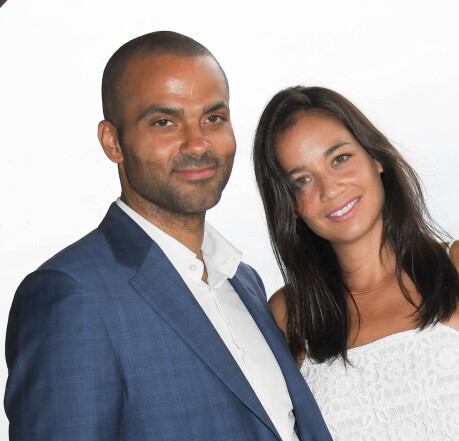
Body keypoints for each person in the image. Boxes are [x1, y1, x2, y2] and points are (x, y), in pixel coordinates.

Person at [4, 32, 332, 441]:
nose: (197, 143)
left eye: (213, 118)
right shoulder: (70, 295)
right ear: (113, 141)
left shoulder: (243, 281)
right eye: (164, 122)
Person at [253, 85, 459, 441]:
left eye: (340, 158)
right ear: (290, 206)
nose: (329, 189)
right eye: (301, 180)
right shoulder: (290, 316)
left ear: (376, 158)